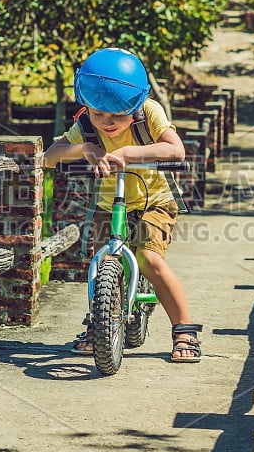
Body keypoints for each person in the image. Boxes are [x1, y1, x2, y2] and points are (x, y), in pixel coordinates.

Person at [43, 47, 202, 362]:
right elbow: (49, 157)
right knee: (104, 263)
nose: (106, 122)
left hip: (154, 199)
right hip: (108, 201)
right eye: (98, 113)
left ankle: (184, 328)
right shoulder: (86, 126)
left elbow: (176, 151)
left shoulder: (149, 114)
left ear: (136, 105)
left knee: (148, 259)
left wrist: (129, 154)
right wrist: (86, 149)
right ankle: (100, 325)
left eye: (117, 115)